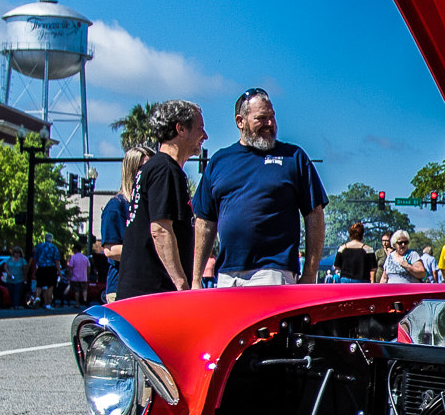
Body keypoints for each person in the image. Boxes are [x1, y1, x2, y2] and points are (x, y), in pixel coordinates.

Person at [191, 89, 326, 286]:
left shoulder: (294, 157)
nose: (270, 124)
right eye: (261, 118)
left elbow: (314, 214)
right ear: (240, 121)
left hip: (274, 271)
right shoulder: (220, 161)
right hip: (228, 275)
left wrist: (309, 273)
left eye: (272, 117)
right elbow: (205, 222)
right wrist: (195, 279)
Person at [116, 100, 207, 300]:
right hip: (152, 293)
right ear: (180, 128)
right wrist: (181, 284)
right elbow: (160, 230)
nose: (205, 136)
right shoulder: (164, 169)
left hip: (146, 292)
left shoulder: (159, 168)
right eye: (200, 129)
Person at [97, 146, 146, 301]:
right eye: (144, 168)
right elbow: (110, 250)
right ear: (132, 170)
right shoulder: (116, 206)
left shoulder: (150, 206)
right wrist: (149, 253)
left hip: (148, 288)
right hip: (121, 290)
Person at [30, 235, 60, 307]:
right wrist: (59, 271)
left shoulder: (39, 247)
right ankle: (48, 304)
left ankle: (37, 297)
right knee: (50, 286)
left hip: (41, 268)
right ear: (51, 239)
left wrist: (34, 270)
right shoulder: (54, 247)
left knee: (39, 285)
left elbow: (35, 260)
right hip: (51, 268)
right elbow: (57, 261)